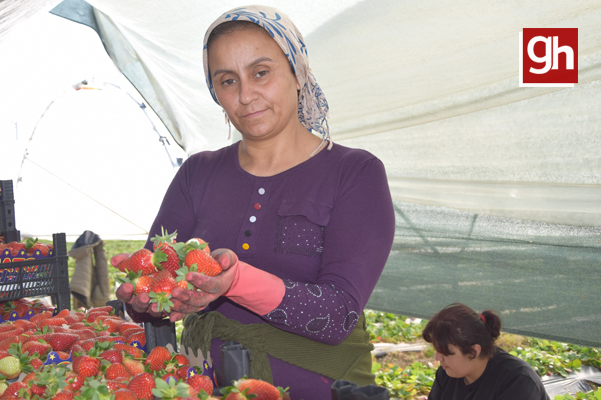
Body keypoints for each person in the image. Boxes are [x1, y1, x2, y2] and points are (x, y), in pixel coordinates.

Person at [116, 6, 395, 399]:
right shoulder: (199, 173)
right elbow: (158, 278)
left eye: (260, 73)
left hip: (322, 390)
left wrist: (236, 282)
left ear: (298, 73)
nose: (246, 95)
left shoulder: (354, 172)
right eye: (228, 81)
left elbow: (338, 315)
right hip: (208, 386)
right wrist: (150, 300)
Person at [421, 303, 550, 400]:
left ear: (473, 352)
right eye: (436, 350)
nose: (438, 358)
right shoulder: (448, 373)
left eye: (446, 352)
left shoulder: (516, 380)